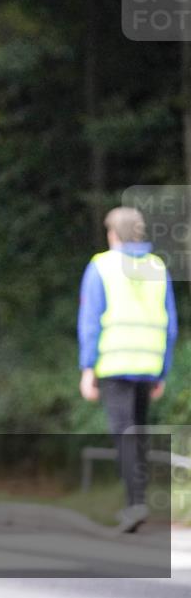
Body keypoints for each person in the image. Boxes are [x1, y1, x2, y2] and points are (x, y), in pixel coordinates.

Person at [77, 206, 177, 532]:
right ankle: (138, 501)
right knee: (139, 433)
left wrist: (88, 367)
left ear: (113, 235)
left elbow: (90, 321)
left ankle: (135, 504)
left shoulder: (101, 266)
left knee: (124, 434)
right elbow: (170, 325)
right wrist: (162, 370)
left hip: (115, 364)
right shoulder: (157, 267)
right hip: (147, 365)